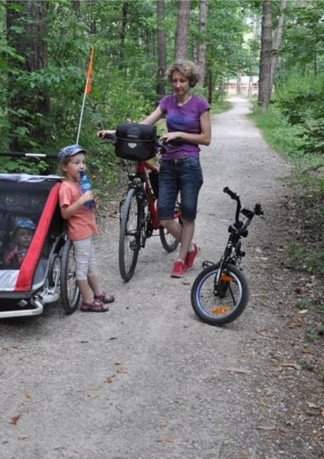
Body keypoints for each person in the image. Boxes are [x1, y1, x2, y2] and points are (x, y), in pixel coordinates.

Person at [99, 59, 211, 278]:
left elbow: (206, 138)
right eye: (175, 80)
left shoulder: (200, 105)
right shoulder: (167, 102)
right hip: (168, 163)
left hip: (190, 164)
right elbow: (143, 125)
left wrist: (179, 135)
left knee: (188, 215)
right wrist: (115, 132)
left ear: (191, 81)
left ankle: (180, 260)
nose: (178, 85)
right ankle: (190, 248)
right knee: (164, 216)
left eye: (183, 81)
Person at [57, 144, 115, 312]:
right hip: (79, 232)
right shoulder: (66, 188)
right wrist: (81, 201)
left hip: (87, 230)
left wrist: (91, 203)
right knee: (82, 268)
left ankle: (98, 293)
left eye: (83, 162)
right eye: (76, 162)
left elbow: (85, 207)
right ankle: (87, 301)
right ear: (64, 167)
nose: (81, 166)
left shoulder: (80, 184)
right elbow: (65, 213)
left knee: (92, 264)